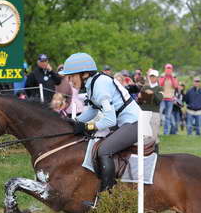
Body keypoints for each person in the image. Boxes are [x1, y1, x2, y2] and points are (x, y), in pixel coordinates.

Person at [59, 52, 141, 203]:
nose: (69, 81)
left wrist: (87, 126)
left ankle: (107, 196)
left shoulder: (100, 84)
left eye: (71, 76)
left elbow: (110, 119)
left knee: (104, 150)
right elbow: (92, 110)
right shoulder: (92, 84)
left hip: (135, 124)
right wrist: (72, 122)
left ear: (84, 74)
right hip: (124, 124)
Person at [138, 69, 163, 145]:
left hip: (154, 112)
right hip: (144, 112)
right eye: (151, 76)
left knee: (154, 135)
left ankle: (155, 153)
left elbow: (159, 100)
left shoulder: (160, 88)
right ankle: (145, 153)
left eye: (154, 77)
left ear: (157, 78)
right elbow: (140, 102)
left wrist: (153, 93)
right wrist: (139, 97)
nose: (152, 78)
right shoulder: (144, 88)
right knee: (144, 134)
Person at [158, 64, 180, 135]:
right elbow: (160, 84)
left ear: (172, 69)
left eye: (170, 68)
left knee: (168, 116)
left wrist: (171, 77)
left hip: (170, 99)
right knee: (159, 115)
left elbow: (175, 86)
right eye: (167, 68)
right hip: (162, 98)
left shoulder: (174, 77)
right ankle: (157, 131)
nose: (168, 70)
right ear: (165, 69)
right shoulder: (162, 76)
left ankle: (166, 132)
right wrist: (165, 77)